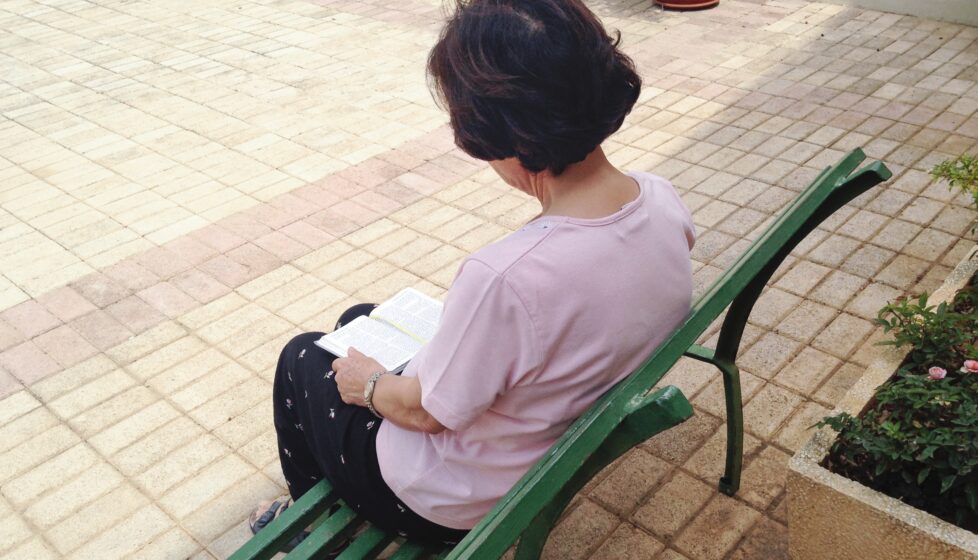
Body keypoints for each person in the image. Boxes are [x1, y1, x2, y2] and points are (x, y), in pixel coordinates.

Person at [249, 0, 695, 549]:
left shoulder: (505, 277)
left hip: (449, 500)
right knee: (359, 320)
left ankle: (310, 533)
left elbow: (426, 414)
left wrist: (369, 386)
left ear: (504, 134)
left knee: (303, 357)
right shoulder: (660, 198)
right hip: (547, 436)